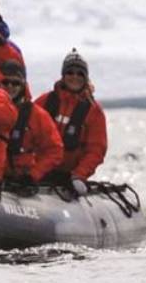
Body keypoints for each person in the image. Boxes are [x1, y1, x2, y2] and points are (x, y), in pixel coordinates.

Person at [36, 49, 108, 193]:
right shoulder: (44, 101)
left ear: (86, 78)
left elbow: (96, 150)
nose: (74, 77)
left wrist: (79, 176)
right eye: (70, 72)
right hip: (38, 173)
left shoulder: (94, 111)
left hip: (69, 179)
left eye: (80, 73)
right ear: (63, 75)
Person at [0, 59, 63, 183]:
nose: (10, 87)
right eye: (5, 82)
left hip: (21, 180)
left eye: (15, 83)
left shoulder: (37, 115)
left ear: (23, 85)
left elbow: (55, 150)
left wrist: (33, 175)